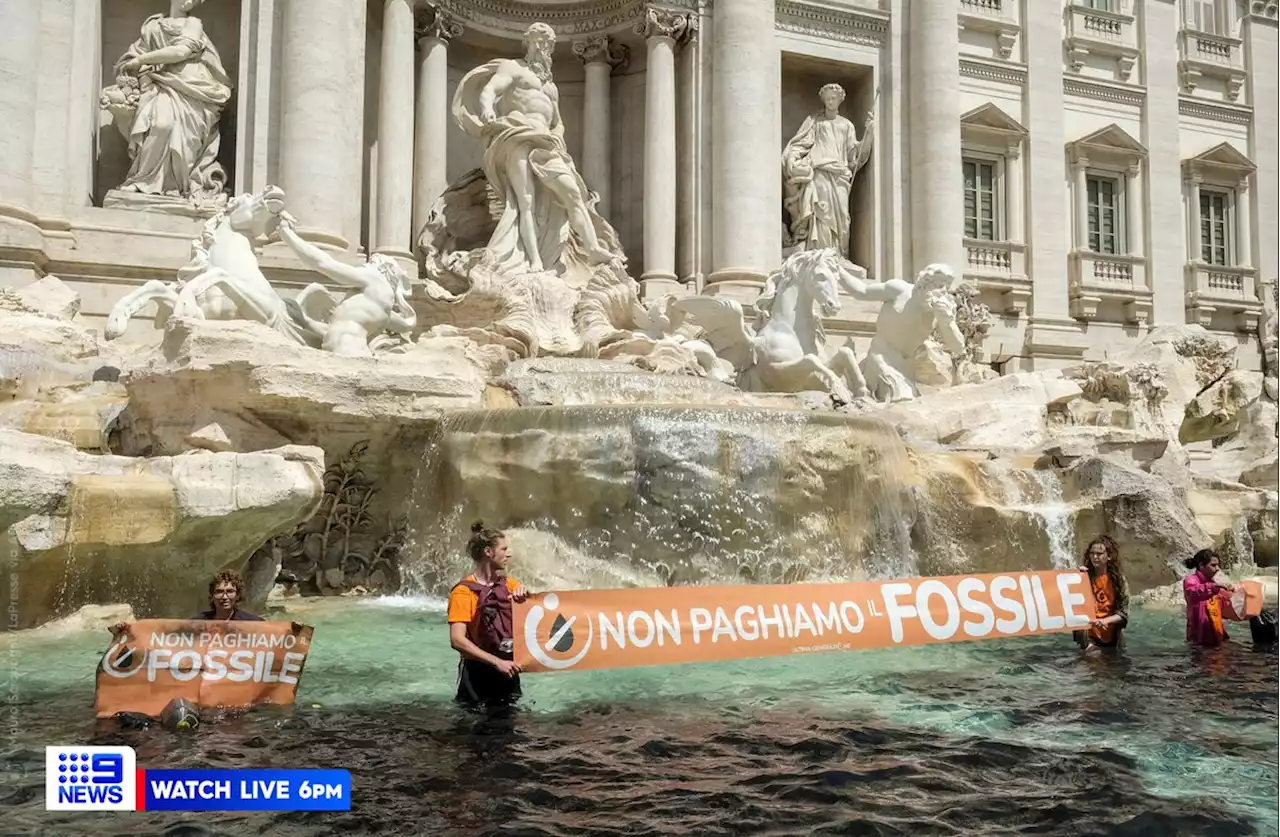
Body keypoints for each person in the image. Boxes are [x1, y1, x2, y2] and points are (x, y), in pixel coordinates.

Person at [782, 82, 875, 255]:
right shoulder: (815, 122)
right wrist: (792, 157)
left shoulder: (847, 125)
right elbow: (801, 143)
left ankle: (839, 254)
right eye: (827, 99)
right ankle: (819, 253)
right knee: (821, 212)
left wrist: (869, 134)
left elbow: (855, 155)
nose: (830, 102)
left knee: (842, 218)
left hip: (840, 174)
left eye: (833, 98)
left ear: (840, 100)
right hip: (820, 170)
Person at [447, 521, 530, 708]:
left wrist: (525, 595)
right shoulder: (463, 592)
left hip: (508, 671)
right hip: (477, 675)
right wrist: (496, 662)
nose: (509, 554)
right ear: (488, 552)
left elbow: (535, 619)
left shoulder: (510, 585)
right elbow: (457, 640)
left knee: (510, 731)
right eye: (504, 549)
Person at [1074, 535, 1130, 653]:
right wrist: (1075, 576)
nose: (1095, 557)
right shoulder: (1083, 577)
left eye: (1099, 554)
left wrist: (1105, 621)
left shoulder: (1119, 581)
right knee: (1093, 661)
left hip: (1113, 637)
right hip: (1089, 636)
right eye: (1092, 553)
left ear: (1108, 556)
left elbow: (1123, 613)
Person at [1183, 548, 1235, 648]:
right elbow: (1194, 592)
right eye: (1213, 565)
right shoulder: (1191, 581)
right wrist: (1214, 587)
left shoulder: (1213, 584)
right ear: (1201, 565)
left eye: (1218, 565)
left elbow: (1223, 609)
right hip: (1199, 639)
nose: (1217, 569)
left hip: (1214, 634)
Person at [195, 569, 265, 621]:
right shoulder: (197, 623)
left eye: (230, 591)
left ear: (237, 595)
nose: (224, 597)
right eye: (219, 592)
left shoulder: (252, 622)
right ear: (212, 596)